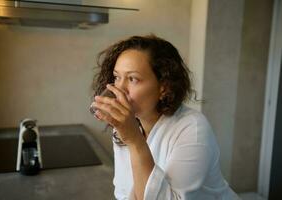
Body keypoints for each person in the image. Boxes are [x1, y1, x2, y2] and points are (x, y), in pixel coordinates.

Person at [91, 35, 239, 200]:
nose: (119, 88)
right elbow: (123, 191)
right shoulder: (125, 127)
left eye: (132, 79)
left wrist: (134, 140)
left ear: (164, 87)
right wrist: (131, 135)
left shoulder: (193, 128)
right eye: (117, 77)